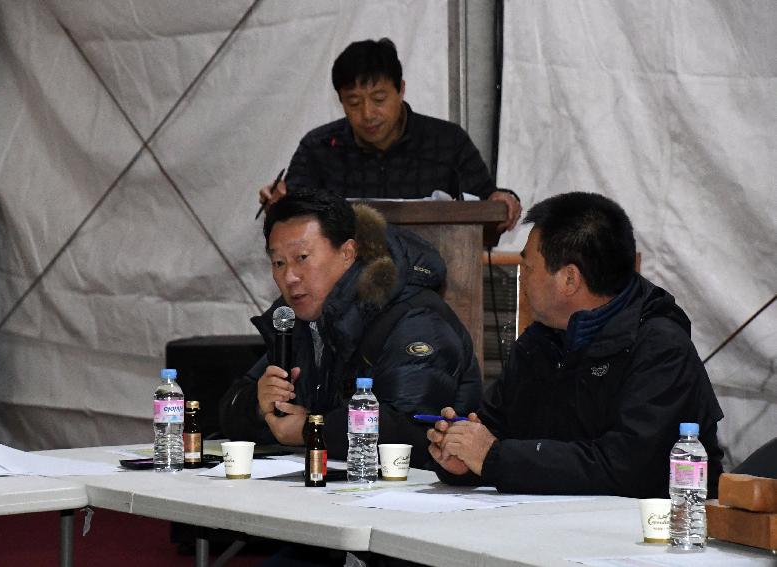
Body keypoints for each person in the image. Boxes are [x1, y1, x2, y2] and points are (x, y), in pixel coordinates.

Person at [426, 192, 725, 498]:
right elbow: (493, 430)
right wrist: (461, 455)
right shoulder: (540, 342)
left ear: (569, 279)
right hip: (554, 524)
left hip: (649, 534)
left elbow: (626, 469)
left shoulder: (661, 349)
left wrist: (492, 458)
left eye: (528, 268)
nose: (522, 278)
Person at [220, 188, 481, 467]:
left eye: (302, 258)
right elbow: (229, 409)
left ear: (347, 252)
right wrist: (259, 405)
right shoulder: (299, 322)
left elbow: (411, 430)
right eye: (278, 263)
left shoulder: (414, 317)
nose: (290, 277)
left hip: (413, 495)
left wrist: (311, 429)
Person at [258, 38, 522, 232]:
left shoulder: (447, 142)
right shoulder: (319, 148)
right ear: (340, 101)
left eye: (379, 98)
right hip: (341, 289)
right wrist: (278, 205)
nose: (368, 113)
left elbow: (488, 202)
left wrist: (503, 200)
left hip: (432, 284)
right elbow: (292, 221)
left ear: (401, 90)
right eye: (353, 102)